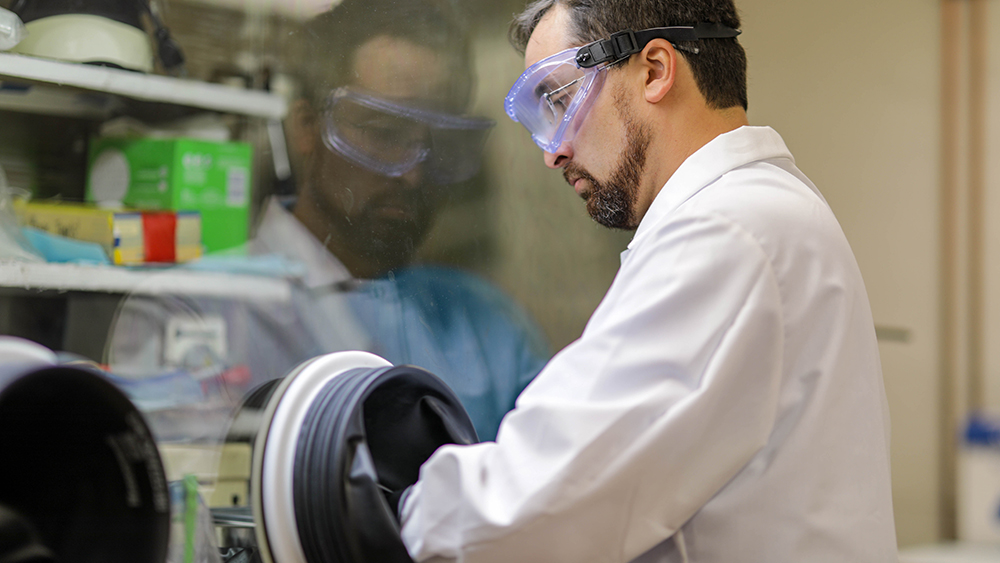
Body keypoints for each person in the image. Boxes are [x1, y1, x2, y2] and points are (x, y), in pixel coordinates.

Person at [397, 0, 898, 561]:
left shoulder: (725, 235)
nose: (554, 151)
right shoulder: (765, 213)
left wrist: (394, 512)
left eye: (560, 100)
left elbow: (529, 508)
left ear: (655, 70)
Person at [106, 0, 549, 442]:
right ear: (304, 127)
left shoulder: (492, 328)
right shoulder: (194, 310)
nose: (412, 173)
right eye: (382, 132)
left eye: (439, 142)